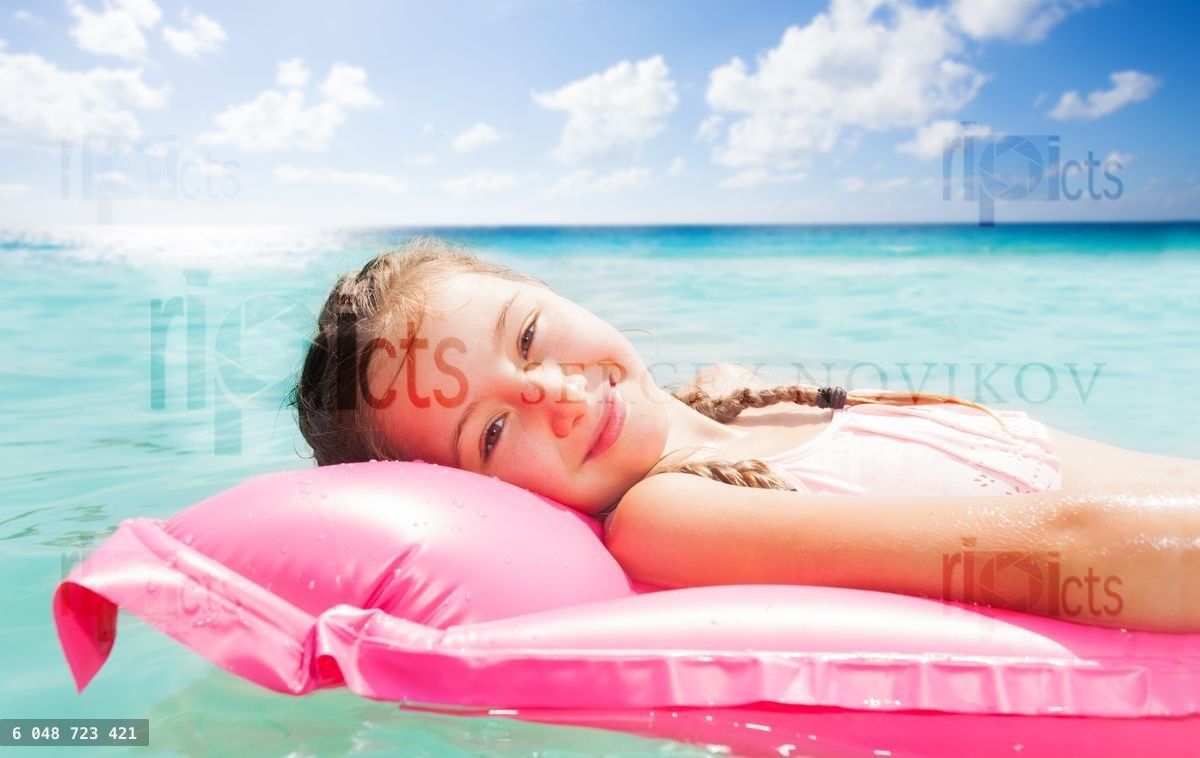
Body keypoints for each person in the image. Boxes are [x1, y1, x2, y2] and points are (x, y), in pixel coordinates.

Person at [290, 237, 1200, 631]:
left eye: (528, 335)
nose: (553, 392)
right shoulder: (672, 519)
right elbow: (1060, 549)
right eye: (491, 430)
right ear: (481, 497)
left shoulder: (746, 405)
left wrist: (719, 395)